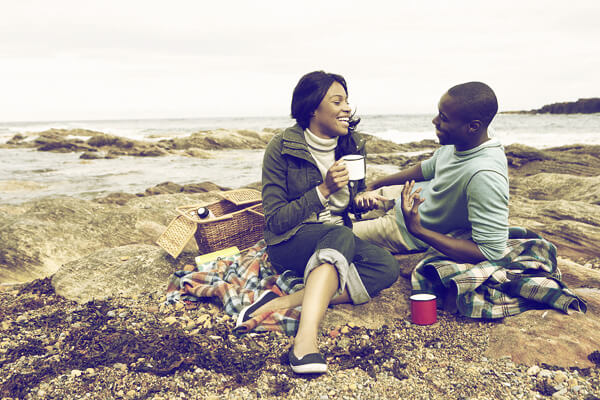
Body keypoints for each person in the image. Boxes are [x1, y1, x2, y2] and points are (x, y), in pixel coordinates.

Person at [235, 70, 400, 374]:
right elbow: (275, 220)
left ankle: (279, 303)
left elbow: (348, 205)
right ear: (312, 108)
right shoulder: (282, 148)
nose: (347, 108)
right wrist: (322, 190)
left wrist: (359, 201)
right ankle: (305, 342)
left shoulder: (353, 145)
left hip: (337, 239)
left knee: (386, 267)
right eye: (337, 101)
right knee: (338, 236)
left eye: (347, 101)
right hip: (289, 243)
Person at [353, 81, 509, 265]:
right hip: (406, 197)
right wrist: (377, 183)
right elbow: (427, 168)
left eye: (444, 118)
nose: (435, 121)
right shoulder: (470, 139)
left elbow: (491, 252)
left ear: (473, 127)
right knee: (340, 206)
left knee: (335, 235)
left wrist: (418, 230)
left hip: (403, 230)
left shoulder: (485, 176)